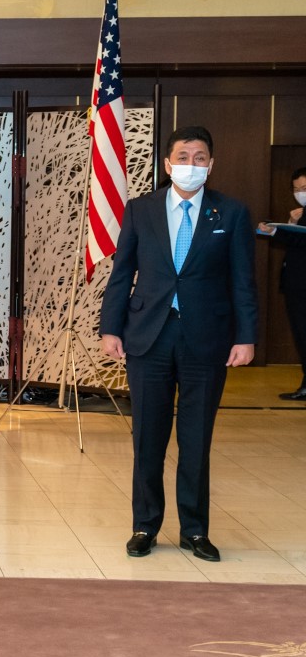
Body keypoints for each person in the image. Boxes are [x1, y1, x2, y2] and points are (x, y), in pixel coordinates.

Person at [100, 125, 257, 564]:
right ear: (168, 165)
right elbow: (121, 274)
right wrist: (110, 328)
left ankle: (194, 530)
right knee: (147, 436)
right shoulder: (140, 210)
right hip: (148, 336)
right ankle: (144, 525)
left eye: (200, 157)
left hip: (206, 339)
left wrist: (246, 337)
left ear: (211, 164)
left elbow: (244, 280)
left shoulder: (231, 213)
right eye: (183, 157)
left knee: (195, 439)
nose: (191, 164)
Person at [256, 167, 306, 400]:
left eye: (304, 188)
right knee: (300, 334)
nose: (300, 193)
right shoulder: (300, 212)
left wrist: (279, 231)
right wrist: (284, 225)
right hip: (296, 285)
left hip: (302, 285)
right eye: (296, 189)